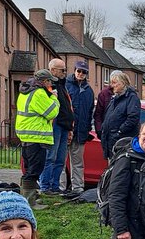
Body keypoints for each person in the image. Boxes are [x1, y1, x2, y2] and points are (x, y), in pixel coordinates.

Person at [15, 69, 59, 205]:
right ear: (44, 81)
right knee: (34, 170)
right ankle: (30, 202)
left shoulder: (25, 92)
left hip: (26, 135)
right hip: (36, 136)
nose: (51, 84)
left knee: (29, 169)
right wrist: (54, 98)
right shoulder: (39, 93)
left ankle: (28, 197)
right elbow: (52, 113)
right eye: (50, 82)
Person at [38, 59, 74, 198]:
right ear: (53, 70)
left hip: (64, 125)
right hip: (54, 125)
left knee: (60, 159)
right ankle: (45, 186)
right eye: (62, 70)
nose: (65, 72)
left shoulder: (62, 85)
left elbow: (67, 106)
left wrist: (70, 127)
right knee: (50, 157)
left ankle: (54, 186)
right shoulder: (48, 86)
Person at [66, 60, 95, 197]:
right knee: (60, 161)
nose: (81, 74)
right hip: (66, 129)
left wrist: (87, 129)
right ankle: (59, 187)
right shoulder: (66, 85)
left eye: (84, 72)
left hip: (81, 132)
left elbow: (90, 112)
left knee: (77, 162)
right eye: (79, 71)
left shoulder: (89, 91)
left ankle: (77, 188)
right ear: (74, 70)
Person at [99, 70, 140, 158]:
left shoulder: (132, 98)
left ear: (123, 83)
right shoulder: (114, 98)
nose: (112, 85)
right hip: (111, 142)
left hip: (121, 143)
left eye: (114, 83)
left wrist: (119, 131)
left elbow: (133, 118)